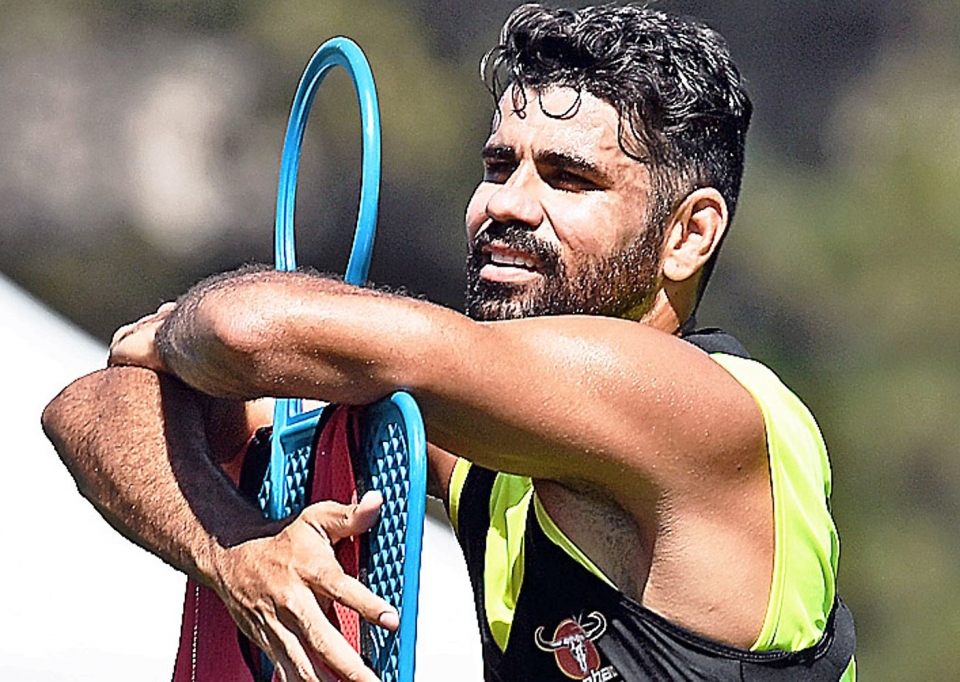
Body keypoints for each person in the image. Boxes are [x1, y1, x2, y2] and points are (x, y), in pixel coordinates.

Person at [42, 4, 855, 681]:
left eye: (570, 179)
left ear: (689, 234)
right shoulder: (485, 448)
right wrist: (234, 547)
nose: (509, 203)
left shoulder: (703, 410)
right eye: (500, 166)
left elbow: (239, 327)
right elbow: (90, 408)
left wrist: (185, 326)